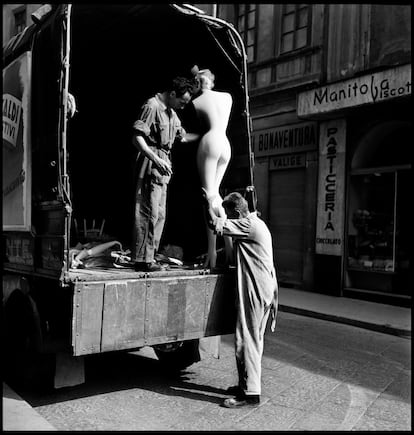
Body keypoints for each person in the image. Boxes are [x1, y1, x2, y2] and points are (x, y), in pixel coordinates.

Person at [203, 190, 278, 408]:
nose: (229, 221)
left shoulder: (248, 225)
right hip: (263, 288)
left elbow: (213, 223)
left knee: (248, 340)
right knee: (251, 339)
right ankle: (245, 385)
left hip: (256, 289)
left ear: (237, 212)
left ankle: (251, 394)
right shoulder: (256, 224)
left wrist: (208, 201)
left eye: (229, 215)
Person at [131, 77, 197, 272]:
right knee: (147, 212)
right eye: (182, 102)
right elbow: (137, 137)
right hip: (151, 163)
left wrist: (201, 136)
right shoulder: (152, 106)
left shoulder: (172, 113)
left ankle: (149, 257)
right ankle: (142, 260)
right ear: (173, 94)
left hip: (163, 167)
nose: (183, 106)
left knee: (159, 214)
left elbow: (181, 135)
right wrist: (155, 159)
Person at [191, 65, 233, 269]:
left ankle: (212, 254)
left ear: (198, 83)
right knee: (216, 196)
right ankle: (229, 247)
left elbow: (200, 125)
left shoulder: (197, 101)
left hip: (210, 142)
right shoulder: (227, 97)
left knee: (208, 197)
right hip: (225, 144)